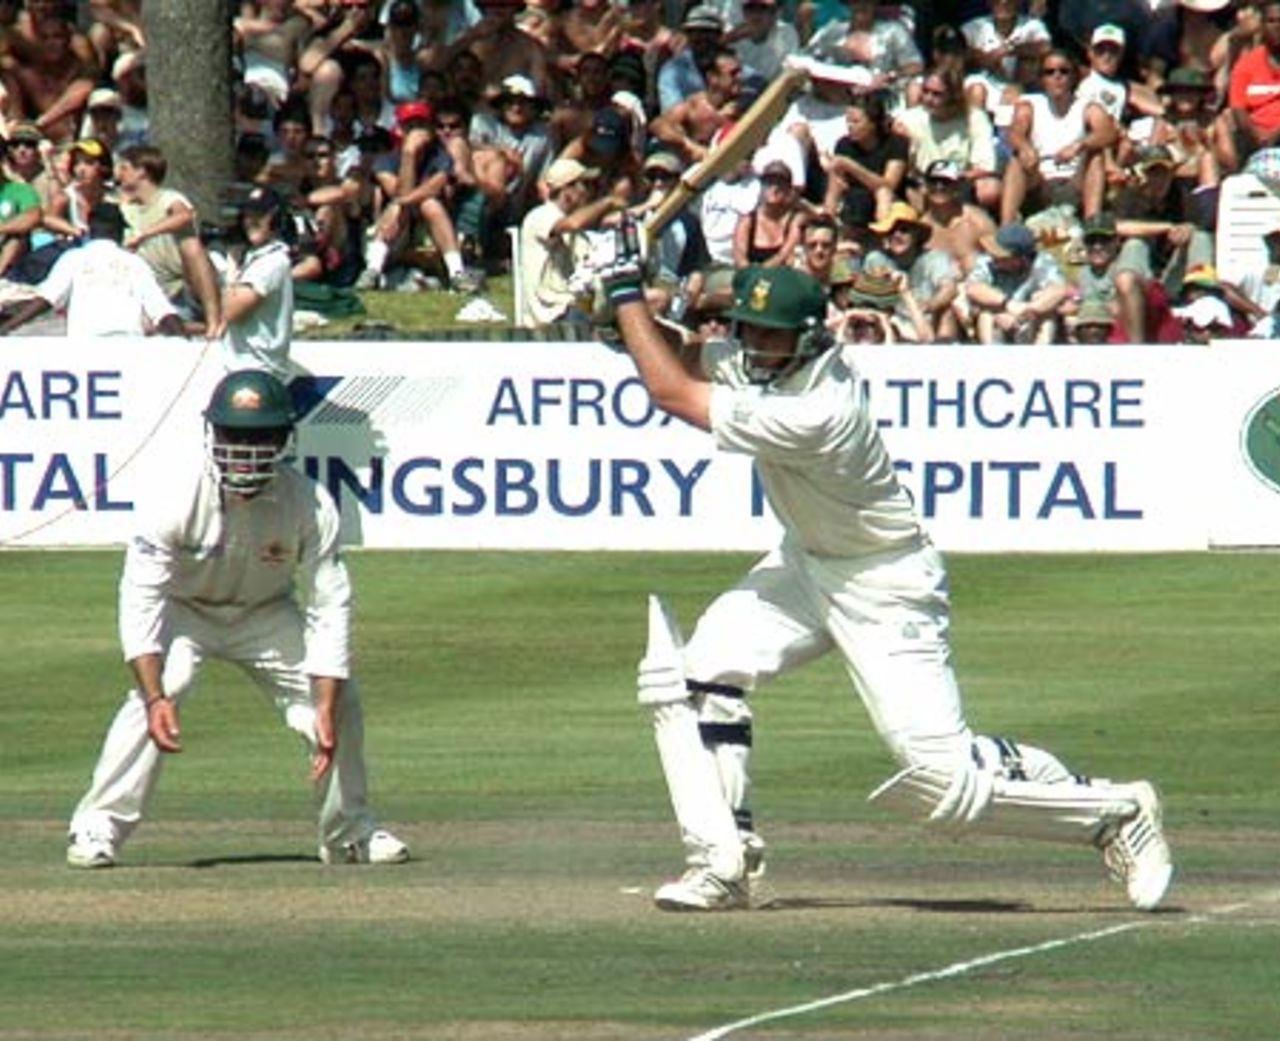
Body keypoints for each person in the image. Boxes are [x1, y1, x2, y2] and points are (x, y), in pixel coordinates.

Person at [595, 245, 1174, 913]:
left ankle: (1114, 812)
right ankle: (726, 860)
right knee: (701, 672)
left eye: (770, 334)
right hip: (803, 565)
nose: (755, 345)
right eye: (747, 330)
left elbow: (671, 388)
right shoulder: (764, 362)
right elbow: (678, 354)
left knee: (941, 777)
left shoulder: (820, 410)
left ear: (808, 337)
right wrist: (614, 317)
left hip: (884, 580)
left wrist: (622, 295)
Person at [65, 368, 410, 870]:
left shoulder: (310, 503)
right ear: (212, 434)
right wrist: (155, 694)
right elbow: (141, 596)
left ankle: (348, 834)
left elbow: (330, 605)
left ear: (284, 439)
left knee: (343, 703)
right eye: (234, 435)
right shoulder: (172, 493)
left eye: (259, 436)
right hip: (185, 610)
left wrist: (324, 702)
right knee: (167, 684)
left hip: (265, 615)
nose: (246, 450)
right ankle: (98, 827)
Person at [0, 201, 185, 337]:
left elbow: (46, 300)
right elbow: (162, 310)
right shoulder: (134, 263)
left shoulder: (73, 259)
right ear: (119, 232)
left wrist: (7, 328)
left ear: (90, 229)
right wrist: (187, 344)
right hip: (129, 349)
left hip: (85, 351)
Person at [222, 185, 294, 378]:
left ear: (276, 219)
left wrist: (231, 270)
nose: (250, 222)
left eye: (259, 215)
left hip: (258, 371)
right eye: (247, 215)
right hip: (243, 368)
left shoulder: (272, 261)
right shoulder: (254, 258)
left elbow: (232, 311)